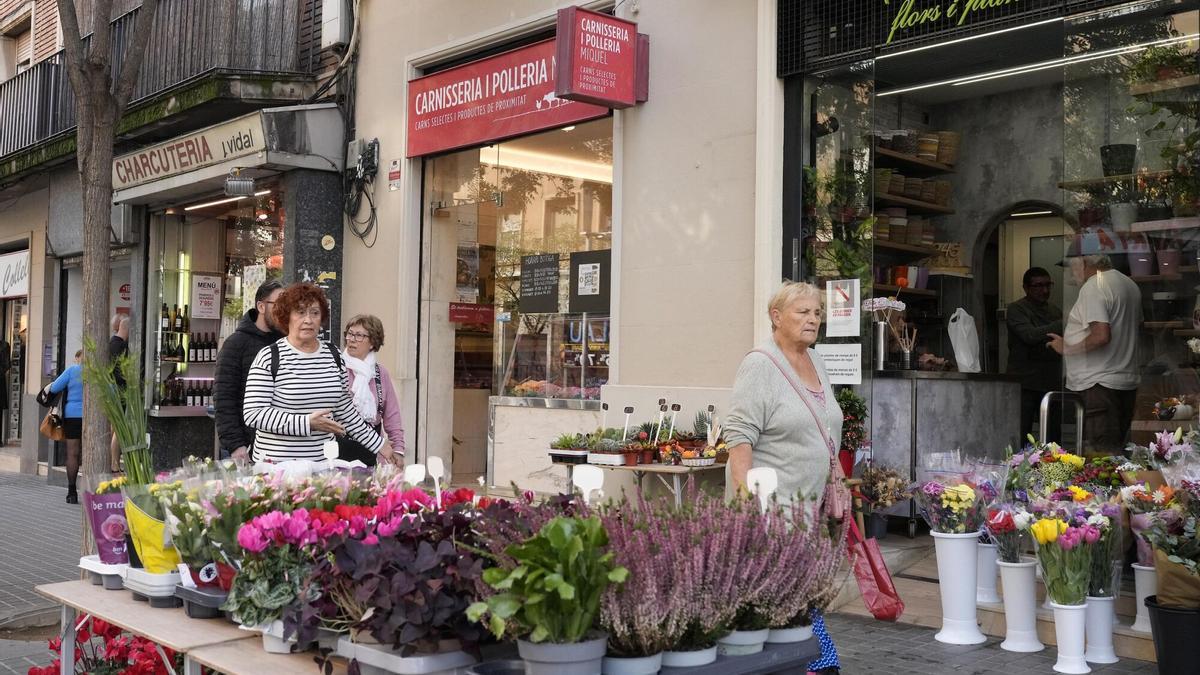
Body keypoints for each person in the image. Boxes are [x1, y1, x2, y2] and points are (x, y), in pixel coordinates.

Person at [724, 281, 846, 675]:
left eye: (816, 313)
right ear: (776, 317)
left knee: (796, 591)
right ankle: (816, 663)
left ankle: (804, 662)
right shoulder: (761, 364)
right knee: (788, 592)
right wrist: (747, 503)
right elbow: (740, 436)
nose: (812, 320)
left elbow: (826, 429)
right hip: (775, 506)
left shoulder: (817, 361)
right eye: (802, 312)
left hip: (812, 505)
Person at [242, 283, 400, 465]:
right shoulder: (269, 357)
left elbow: (344, 410)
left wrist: (381, 446)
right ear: (287, 317)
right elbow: (254, 413)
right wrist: (306, 422)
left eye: (315, 313)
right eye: (300, 312)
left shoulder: (333, 355)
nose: (308, 320)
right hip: (276, 466)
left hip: (322, 465)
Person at [1049, 251, 1142, 455]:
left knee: (1102, 455)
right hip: (1122, 380)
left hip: (1098, 384)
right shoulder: (1128, 284)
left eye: (1071, 266)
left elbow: (1101, 335)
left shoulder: (1094, 286)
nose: (1070, 273)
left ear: (1084, 262)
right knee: (1114, 451)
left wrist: (1067, 348)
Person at [215, 279, 284, 461]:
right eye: (278, 304)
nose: (284, 310)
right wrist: (236, 445)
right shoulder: (235, 344)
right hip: (244, 447)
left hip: (279, 446)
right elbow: (224, 399)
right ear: (261, 306)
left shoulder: (286, 343)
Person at [338, 315, 406, 467]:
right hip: (338, 447)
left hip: (372, 451)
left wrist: (398, 450)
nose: (352, 339)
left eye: (359, 335)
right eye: (350, 333)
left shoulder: (380, 373)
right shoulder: (337, 368)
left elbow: (392, 416)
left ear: (372, 342)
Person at [1006, 267, 1063, 442]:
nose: (1044, 290)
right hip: (1025, 381)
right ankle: (1020, 467)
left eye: (1048, 285)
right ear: (1026, 287)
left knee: (1053, 436)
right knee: (1022, 433)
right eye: (1038, 286)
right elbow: (1029, 335)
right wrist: (1064, 323)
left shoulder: (1054, 310)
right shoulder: (1017, 309)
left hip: (1051, 380)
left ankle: (1054, 468)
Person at [45, 350, 84, 504]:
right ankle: (93, 491)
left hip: (72, 416)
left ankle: (72, 492)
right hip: (93, 418)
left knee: (72, 454)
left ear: (78, 358)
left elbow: (54, 388)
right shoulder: (98, 373)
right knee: (91, 454)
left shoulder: (72, 370)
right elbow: (112, 391)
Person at [108, 313, 130, 472]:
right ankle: (115, 464)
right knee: (118, 429)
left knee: (114, 429)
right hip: (119, 391)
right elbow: (121, 372)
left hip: (113, 390)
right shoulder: (120, 346)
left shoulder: (112, 343)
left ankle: (114, 463)